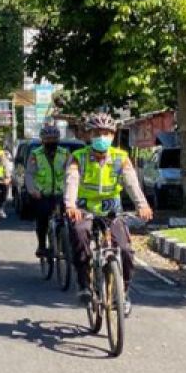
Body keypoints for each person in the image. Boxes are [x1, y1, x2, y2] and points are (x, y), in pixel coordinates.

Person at [63, 112, 153, 302]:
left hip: (112, 212)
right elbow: (72, 181)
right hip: (84, 210)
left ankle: (123, 294)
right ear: (89, 135)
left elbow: (131, 184)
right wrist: (70, 205)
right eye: (97, 133)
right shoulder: (78, 157)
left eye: (106, 133)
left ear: (113, 135)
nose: (101, 137)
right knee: (79, 236)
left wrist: (142, 205)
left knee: (126, 251)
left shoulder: (122, 158)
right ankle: (84, 285)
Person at [25, 123, 71, 259]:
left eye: (54, 139)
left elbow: (72, 173)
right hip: (42, 194)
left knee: (68, 219)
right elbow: (29, 174)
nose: (51, 142)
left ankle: (65, 244)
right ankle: (41, 245)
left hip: (62, 194)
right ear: (42, 140)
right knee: (42, 219)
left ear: (58, 139)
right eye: (48, 139)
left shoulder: (65, 153)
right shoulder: (35, 154)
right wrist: (33, 190)